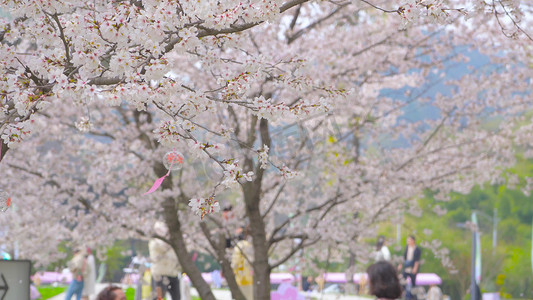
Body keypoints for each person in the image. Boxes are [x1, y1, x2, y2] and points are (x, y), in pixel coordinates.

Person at [149, 221, 181, 300]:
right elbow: (161, 250)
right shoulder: (154, 242)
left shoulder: (173, 242)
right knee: (158, 297)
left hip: (173, 274)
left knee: (177, 297)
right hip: (159, 275)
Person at [231, 227, 253, 300]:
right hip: (253, 278)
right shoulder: (252, 245)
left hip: (241, 279)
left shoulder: (239, 246)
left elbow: (235, 263)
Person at [397, 235, 422, 300]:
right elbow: (404, 257)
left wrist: (415, 268)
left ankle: (414, 297)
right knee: (402, 280)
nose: (408, 241)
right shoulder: (407, 247)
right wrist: (400, 264)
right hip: (406, 268)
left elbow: (417, 259)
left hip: (413, 268)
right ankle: (405, 295)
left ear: (413, 241)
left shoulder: (417, 249)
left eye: (409, 240)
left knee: (413, 284)